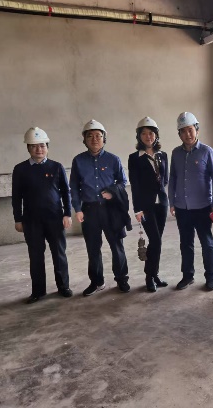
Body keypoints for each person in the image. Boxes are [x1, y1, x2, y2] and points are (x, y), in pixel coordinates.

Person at [70, 119, 131, 296]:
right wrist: (78, 209)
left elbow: (123, 181)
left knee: (116, 246)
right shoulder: (78, 161)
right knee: (93, 248)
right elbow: (73, 187)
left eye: (98, 135)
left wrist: (113, 192)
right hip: (89, 210)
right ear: (84, 139)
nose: (95, 139)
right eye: (90, 136)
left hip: (111, 209)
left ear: (104, 138)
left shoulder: (113, 159)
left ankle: (122, 279)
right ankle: (97, 281)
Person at [12, 127, 73, 304]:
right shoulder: (20, 169)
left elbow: (66, 192)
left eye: (42, 145)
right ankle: (38, 291)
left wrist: (67, 214)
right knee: (36, 256)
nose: (39, 149)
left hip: (55, 218)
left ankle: (63, 286)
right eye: (34, 146)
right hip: (31, 221)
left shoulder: (56, 167)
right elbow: (16, 196)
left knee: (59, 254)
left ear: (47, 147)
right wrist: (18, 219)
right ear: (28, 148)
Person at [168, 112, 213, 291]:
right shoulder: (176, 153)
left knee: (207, 243)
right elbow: (173, 178)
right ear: (179, 134)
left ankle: (211, 276)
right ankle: (187, 276)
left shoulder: (207, 152)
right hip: (182, 208)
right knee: (186, 243)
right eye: (183, 131)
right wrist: (172, 201)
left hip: (203, 207)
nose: (187, 134)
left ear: (197, 130)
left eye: (190, 130)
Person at [128, 117, 169, 292]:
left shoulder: (163, 155)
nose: (148, 136)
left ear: (156, 135)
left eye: (151, 133)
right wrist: (137, 209)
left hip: (162, 204)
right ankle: (149, 277)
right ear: (139, 136)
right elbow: (135, 185)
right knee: (156, 240)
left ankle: (154, 274)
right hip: (146, 206)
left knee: (156, 241)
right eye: (144, 133)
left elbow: (165, 179)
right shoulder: (134, 158)